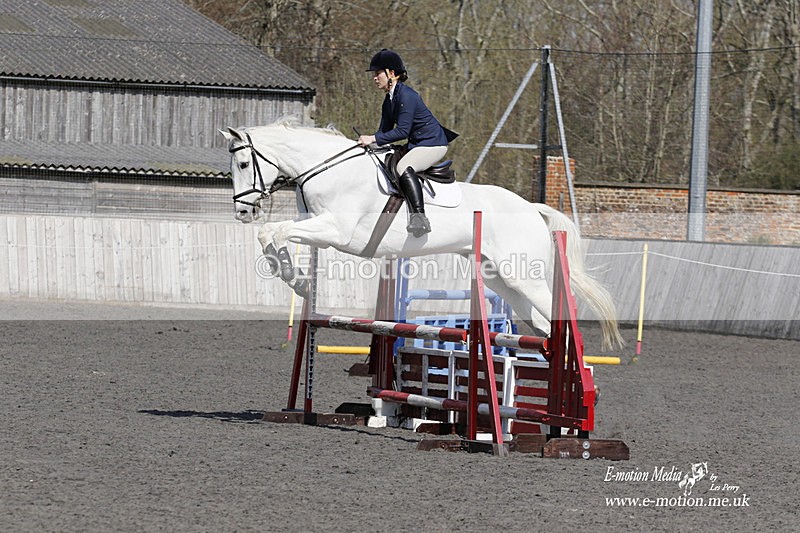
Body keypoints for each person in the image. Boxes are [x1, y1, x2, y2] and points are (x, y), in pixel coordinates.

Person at [357, 49, 457, 237]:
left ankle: (419, 218)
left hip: (433, 144)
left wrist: (372, 138)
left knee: (404, 166)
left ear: (391, 74)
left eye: (378, 73)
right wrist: (369, 143)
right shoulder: (389, 100)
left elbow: (402, 131)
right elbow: (384, 132)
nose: (375, 78)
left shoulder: (407, 96)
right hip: (418, 144)